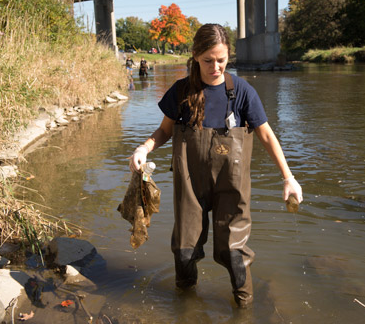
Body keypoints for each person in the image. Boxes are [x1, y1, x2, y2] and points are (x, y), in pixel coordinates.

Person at [129, 23, 303, 308]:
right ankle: (186, 306)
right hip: (190, 185)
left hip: (231, 188)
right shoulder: (181, 91)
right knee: (185, 251)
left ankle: (243, 308)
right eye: (208, 60)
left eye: (221, 60)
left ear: (228, 57)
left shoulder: (243, 92)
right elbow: (164, 131)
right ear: (196, 55)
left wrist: (288, 177)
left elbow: (267, 135)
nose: (216, 67)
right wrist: (143, 148)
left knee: (235, 254)